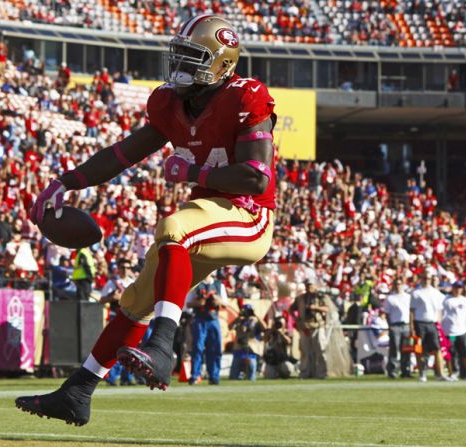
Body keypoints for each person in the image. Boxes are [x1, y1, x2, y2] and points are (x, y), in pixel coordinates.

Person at [16, 15, 276, 426]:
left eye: (194, 57)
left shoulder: (246, 96)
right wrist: (65, 182)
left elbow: (255, 176)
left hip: (248, 215)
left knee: (175, 227)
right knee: (135, 299)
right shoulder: (171, 102)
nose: (182, 66)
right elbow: (123, 153)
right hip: (206, 218)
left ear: (223, 64)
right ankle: (78, 391)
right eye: (181, 55)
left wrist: (194, 174)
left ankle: (162, 345)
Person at [99, 259, 137, 386]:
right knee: (116, 348)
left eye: (128, 267)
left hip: (131, 317)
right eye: (123, 267)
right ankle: (112, 377)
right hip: (116, 316)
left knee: (130, 348)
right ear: (118, 268)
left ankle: (128, 376)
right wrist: (112, 298)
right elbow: (102, 300)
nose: (125, 270)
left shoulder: (133, 283)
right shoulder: (112, 283)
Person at [186, 272, 228, 385]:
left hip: (214, 319)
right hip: (200, 319)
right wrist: (199, 303)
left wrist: (217, 301)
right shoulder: (196, 284)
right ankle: (195, 375)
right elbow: (188, 303)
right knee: (198, 348)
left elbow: (225, 303)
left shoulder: (219, 285)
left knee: (215, 348)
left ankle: (214, 376)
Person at [410, 273, 449, 382]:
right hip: (419, 322)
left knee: (437, 349)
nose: (427, 280)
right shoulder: (416, 293)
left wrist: (439, 323)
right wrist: (412, 326)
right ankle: (422, 372)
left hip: (432, 323)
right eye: (425, 278)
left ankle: (440, 373)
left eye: (429, 278)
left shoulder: (436, 293)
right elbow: (412, 311)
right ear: (421, 279)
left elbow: (440, 310)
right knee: (420, 350)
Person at [441, 282, 466, 381]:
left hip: (462, 331)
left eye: (459, 288)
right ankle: (453, 373)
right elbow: (442, 314)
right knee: (451, 354)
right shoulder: (446, 300)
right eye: (456, 288)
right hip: (450, 332)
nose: (458, 290)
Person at [293, 281, 330, 379]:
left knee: (320, 350)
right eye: (307, 285)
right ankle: (305, 373)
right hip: (305, 326)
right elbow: (291, 309)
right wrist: (296, 320)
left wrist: (316, 307)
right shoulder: (300, 298)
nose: (309, 287)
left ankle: (322, 373)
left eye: (311, 285)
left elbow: (327, 309)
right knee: (305, 352)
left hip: (317, 326)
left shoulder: (320, 297)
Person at [382, 277, 411, 379]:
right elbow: (387, 314)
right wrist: (390, 326)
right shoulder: (390, 298)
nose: (398, 286)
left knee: (406, 349)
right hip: (395, 325)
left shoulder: (408, 297)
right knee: (394, 349)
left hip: (406, 325)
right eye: (396, 284)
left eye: (400, 284)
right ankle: (393, 371)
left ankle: (406, 371)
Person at [228, 304, 264, 381]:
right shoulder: (240, 320)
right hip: (238, 350)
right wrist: (238, 318)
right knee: (233, 377)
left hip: (250, 350)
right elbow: (230, 327)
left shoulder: (254, 320)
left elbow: (265, 328)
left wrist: (256, 315)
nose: (247, 313)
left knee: (251, 377)